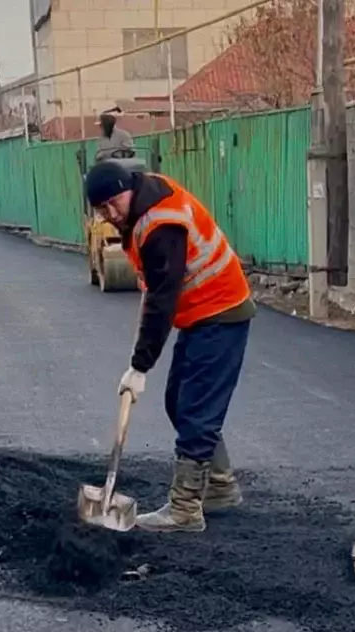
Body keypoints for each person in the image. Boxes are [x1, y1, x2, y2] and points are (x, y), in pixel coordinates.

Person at [83, 161, 255, 532]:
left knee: (196, 410)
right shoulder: (143, 203)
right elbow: (156, 291)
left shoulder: (161, 223)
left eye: (114, 203)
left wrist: (139, 367)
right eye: (102, 210)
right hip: (201, 313)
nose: (111, 215)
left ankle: (185, 509)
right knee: (179, 400)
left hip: (221, 310)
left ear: (128, 188)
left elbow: (163, 299)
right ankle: (220, 487)